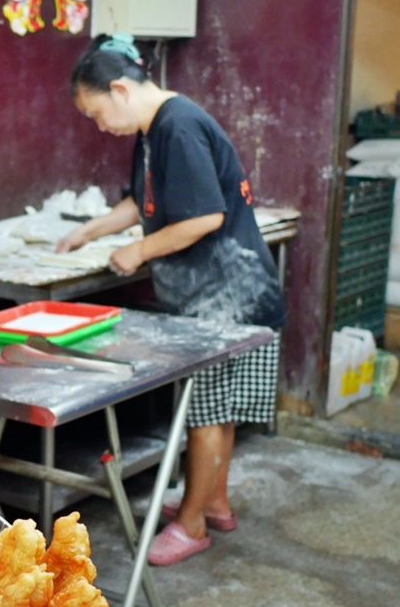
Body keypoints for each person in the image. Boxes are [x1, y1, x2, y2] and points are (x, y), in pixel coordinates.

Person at [58, 33, 286, 566]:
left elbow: (204, 217)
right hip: (219, 297)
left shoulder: (178, 125)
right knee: (217, 411)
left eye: (96, 113)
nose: (99, 126)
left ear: (119, 88)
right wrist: (88, 232)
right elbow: (145, 200)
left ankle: (193, 525)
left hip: (227, 299)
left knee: (206, 415)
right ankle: (215, 501)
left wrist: (138, 253)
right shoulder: (153, 129)